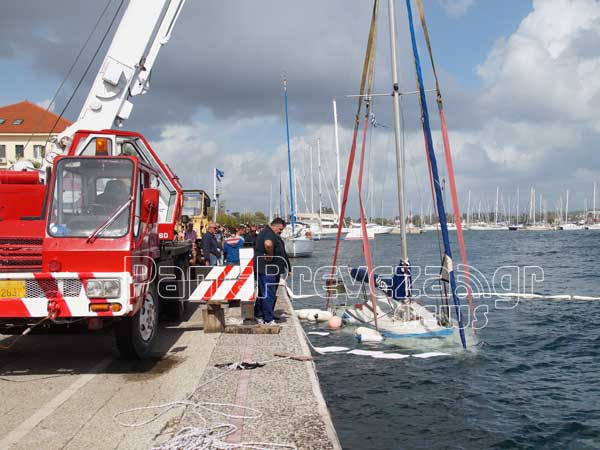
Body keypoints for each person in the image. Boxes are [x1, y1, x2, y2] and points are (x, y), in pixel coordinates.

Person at [254, 218, 291, 325]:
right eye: (280, 229)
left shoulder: (267, 232)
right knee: (268, 294)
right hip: (268, 269)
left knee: (263, 293)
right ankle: (268, 319)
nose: (281, 231)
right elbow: (268, 244)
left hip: (270, 269)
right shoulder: (269, 234)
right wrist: (270, 255)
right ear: (275, 225)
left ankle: (260, 314)